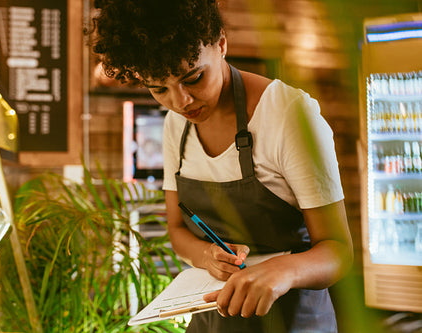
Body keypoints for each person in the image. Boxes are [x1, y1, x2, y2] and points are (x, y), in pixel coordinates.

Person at [92, 0, 353, 332]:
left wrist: (280, 271)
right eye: (159, 89)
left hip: (291, 320)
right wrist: (206, 256)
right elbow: (177, 230)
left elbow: (338, 252)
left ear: (222, 45)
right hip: (212, 318)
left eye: (194, 77)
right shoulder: (177, 125)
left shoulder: (289, 114)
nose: (180, 101)